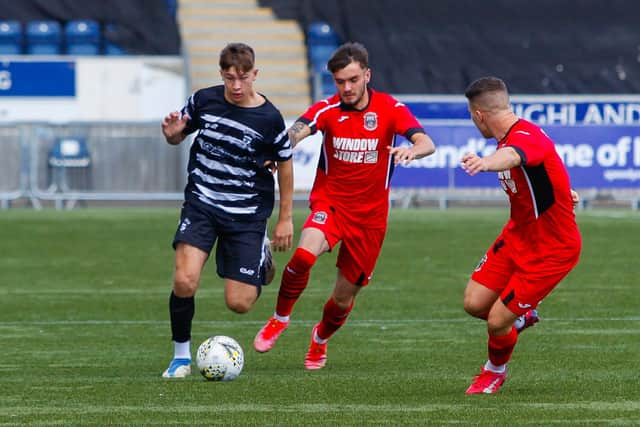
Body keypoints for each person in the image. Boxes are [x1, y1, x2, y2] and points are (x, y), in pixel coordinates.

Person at [253, 42, 436, 369]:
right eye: (340, 81)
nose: (347, 88)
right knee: (303, 256)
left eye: (353, 79)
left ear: (367, 74)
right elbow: (298, 130)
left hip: (370, 219)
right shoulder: (328, 109)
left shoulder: (391, 109)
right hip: (332, 204)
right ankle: (280, 318)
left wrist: (413, 150)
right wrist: (278, 149)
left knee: (342, 298)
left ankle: (320, 339)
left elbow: (426, 142)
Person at [160, 42, 294, 378]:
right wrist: (173, 135)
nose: (236, 86)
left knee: (239, 303)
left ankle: (260, 255)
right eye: (229, 77)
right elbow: (179, 134)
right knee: (184, 280)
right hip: (202, 203)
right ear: (221, 74)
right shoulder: (204, 100)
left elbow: (286, 165)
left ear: (255, 75)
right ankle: (180, 357)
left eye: (243, 78)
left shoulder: (269, 118)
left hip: (247, 215)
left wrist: (285, 219)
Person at [460, 76, 581, 394]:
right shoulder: (509, 138)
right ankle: (521, 317)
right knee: (474, 303)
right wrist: (565, 192)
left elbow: (516, 156)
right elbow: (542, 170)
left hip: (552, 249)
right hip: (518, 235)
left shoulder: (523, 137)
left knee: (496, 321)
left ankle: (494, 371)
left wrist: (485, 163)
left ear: (478, 115)